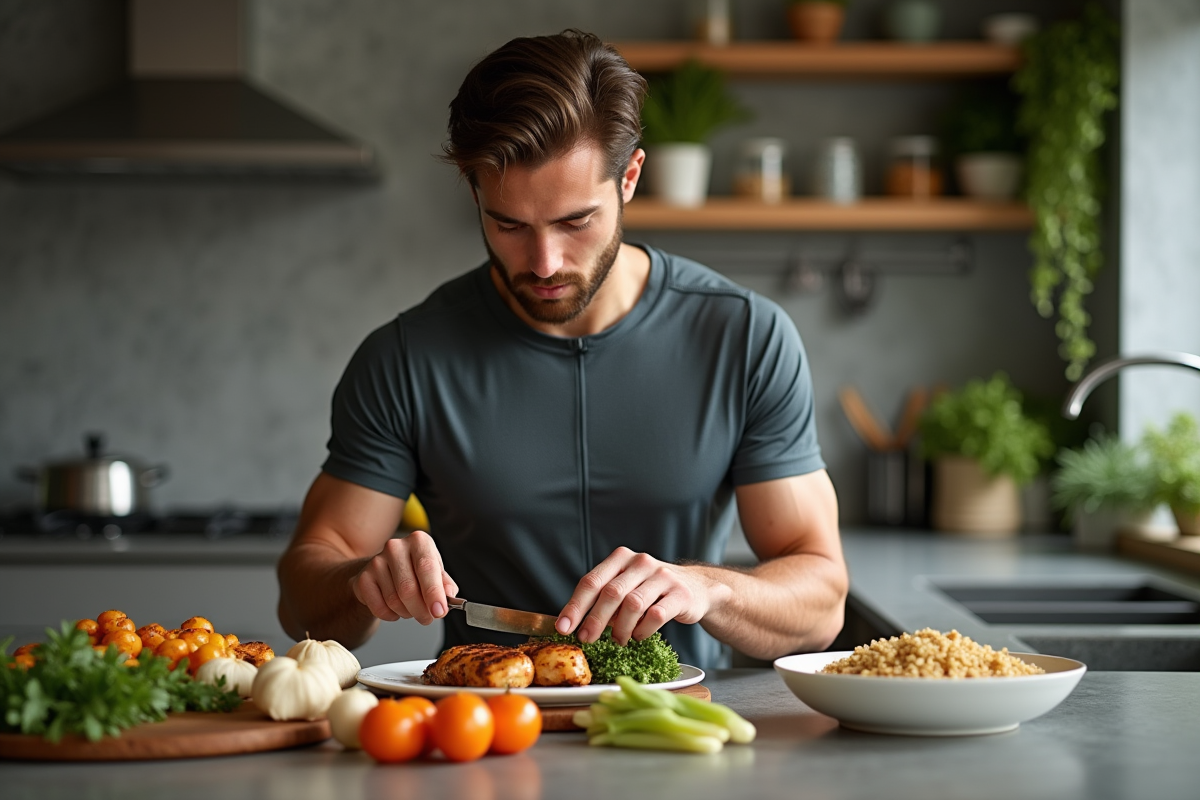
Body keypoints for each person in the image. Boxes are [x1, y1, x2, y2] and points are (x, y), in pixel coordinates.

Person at [276, 30, 847, 670]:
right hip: (480, 737)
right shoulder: (404, 358)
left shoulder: (746, 338)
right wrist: (361, 582)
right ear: (474, 194)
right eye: (509, 224)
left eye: (576, 221)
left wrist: (708, 588)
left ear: (629, 178)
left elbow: (821, 602)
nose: (544, 263)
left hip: (675, 731)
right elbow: (301, 597)